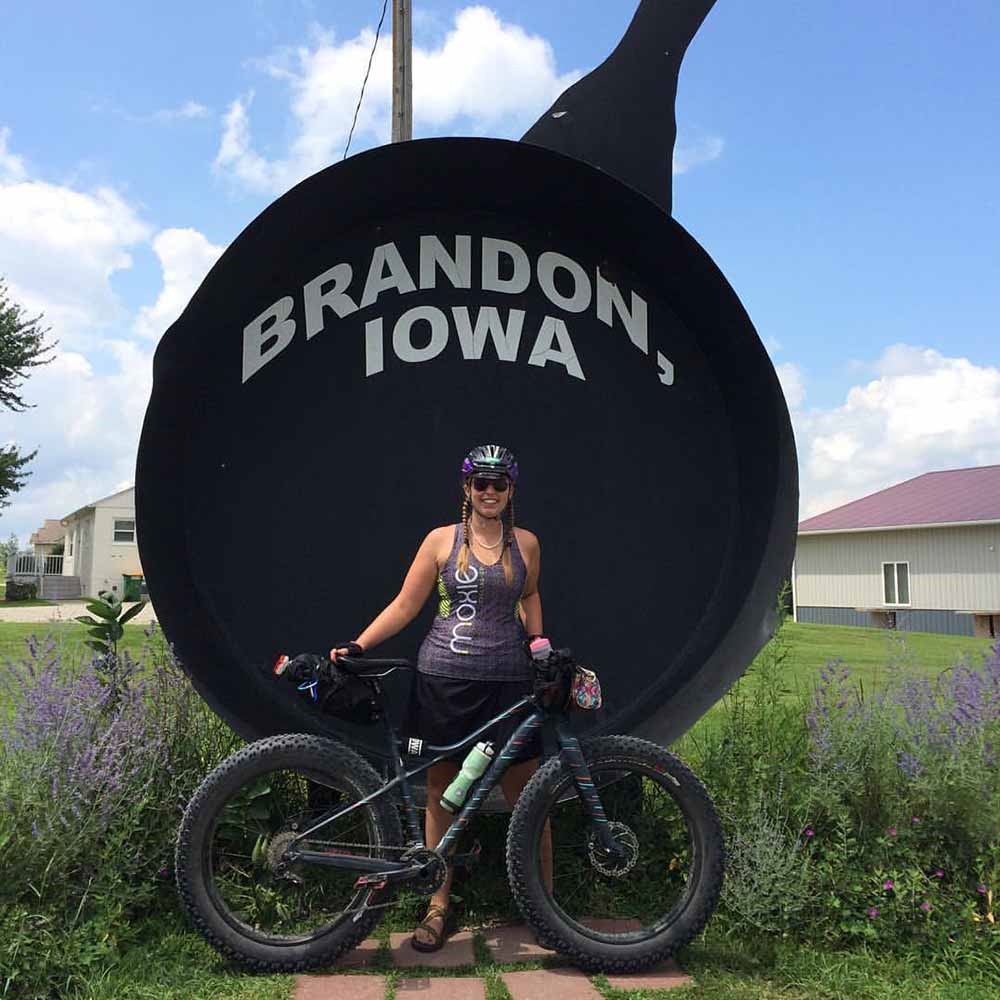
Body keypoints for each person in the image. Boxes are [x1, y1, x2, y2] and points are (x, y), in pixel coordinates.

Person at [330, 444, 554, 952]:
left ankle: (547, 909)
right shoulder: (440, 541)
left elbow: (531, 595)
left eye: (499, 483)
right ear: (466, 488)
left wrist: (539, 646)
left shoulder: (528, 544)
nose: (489, 491)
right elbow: (408, 603)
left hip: (509, 685)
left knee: (531, 797)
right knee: (440, 791)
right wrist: (360, 644)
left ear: (512, 489)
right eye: (481, 483)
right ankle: (436, 908)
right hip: (443, 681)